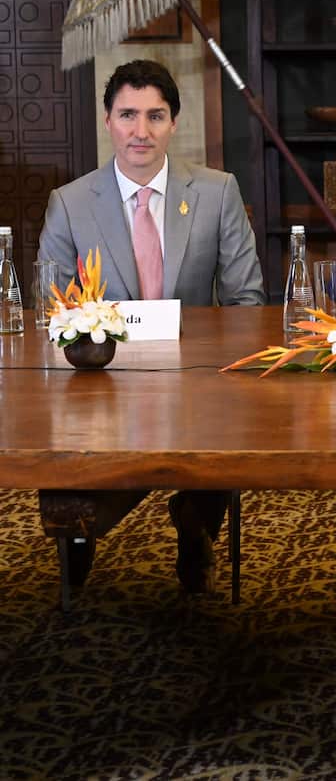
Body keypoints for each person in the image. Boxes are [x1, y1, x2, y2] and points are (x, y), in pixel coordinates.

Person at [38, 59, 266, 593]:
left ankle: (196, 525)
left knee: (223, 431)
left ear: (174, 123)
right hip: (99, 382)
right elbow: (54, 309)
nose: (141, 131)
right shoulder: (70, 203)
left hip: (198, 375)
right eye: (128, 115)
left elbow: (247, 300)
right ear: (108, 120)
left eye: (155, 116)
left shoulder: (216, 191)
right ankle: (80, 535)